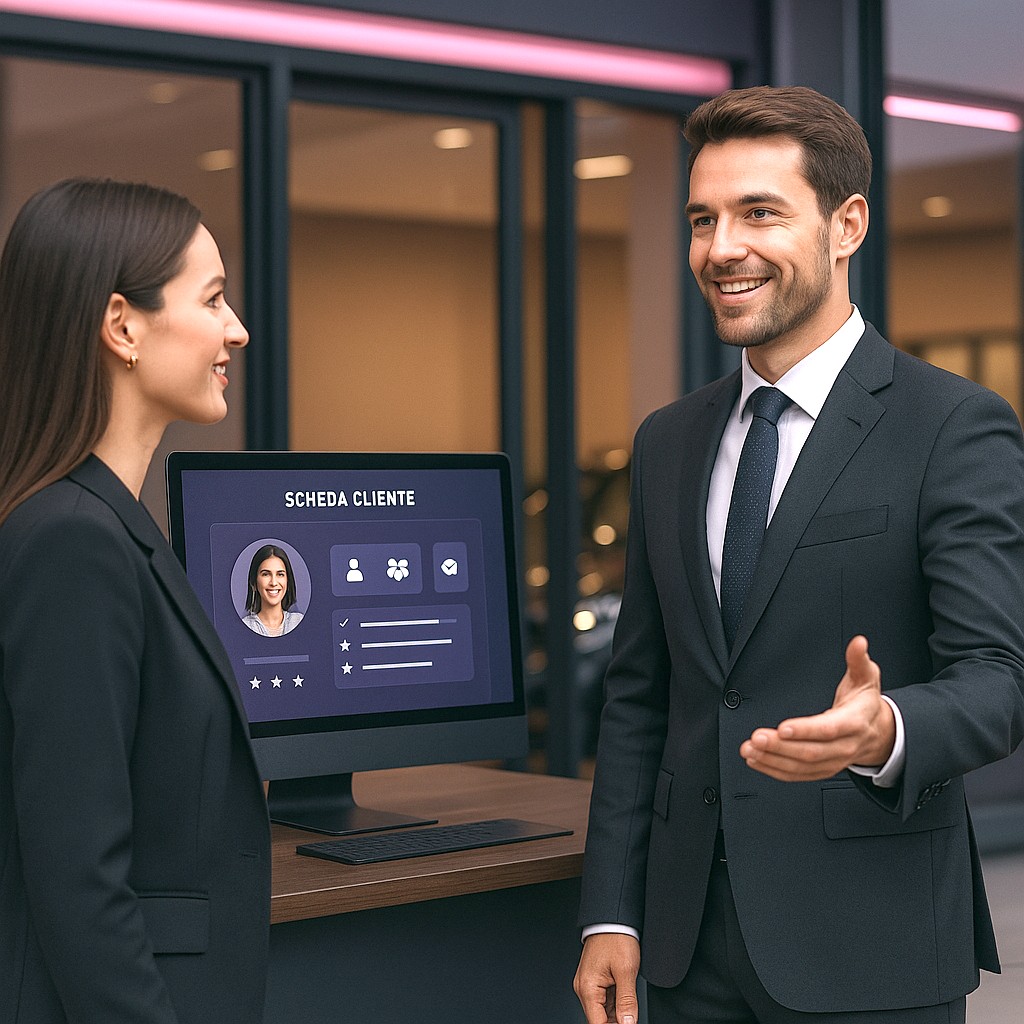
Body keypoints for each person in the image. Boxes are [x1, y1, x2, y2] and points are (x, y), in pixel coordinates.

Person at [574, 85, 1024, 1024]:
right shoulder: (668, 441)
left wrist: (888, 729)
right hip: (685, 944)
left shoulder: (952, 426)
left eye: (759, 213)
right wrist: (610, 912)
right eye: (703, 219)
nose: (722, 247)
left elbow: (998, 677)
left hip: (869, 946)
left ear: (846, 224)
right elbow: (639, 697)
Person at [0, 179, 270, 1023]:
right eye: (215, 299)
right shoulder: (73, 541)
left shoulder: (105, 524)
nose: (238, 330)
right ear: (122, 325)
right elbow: (79, 879)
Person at [243, 543, 305, 636]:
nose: (274, 583)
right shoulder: (245, 626)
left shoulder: (299, 621)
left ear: (287, 581)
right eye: (266, 574)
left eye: (280, 574)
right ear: (254, 582)